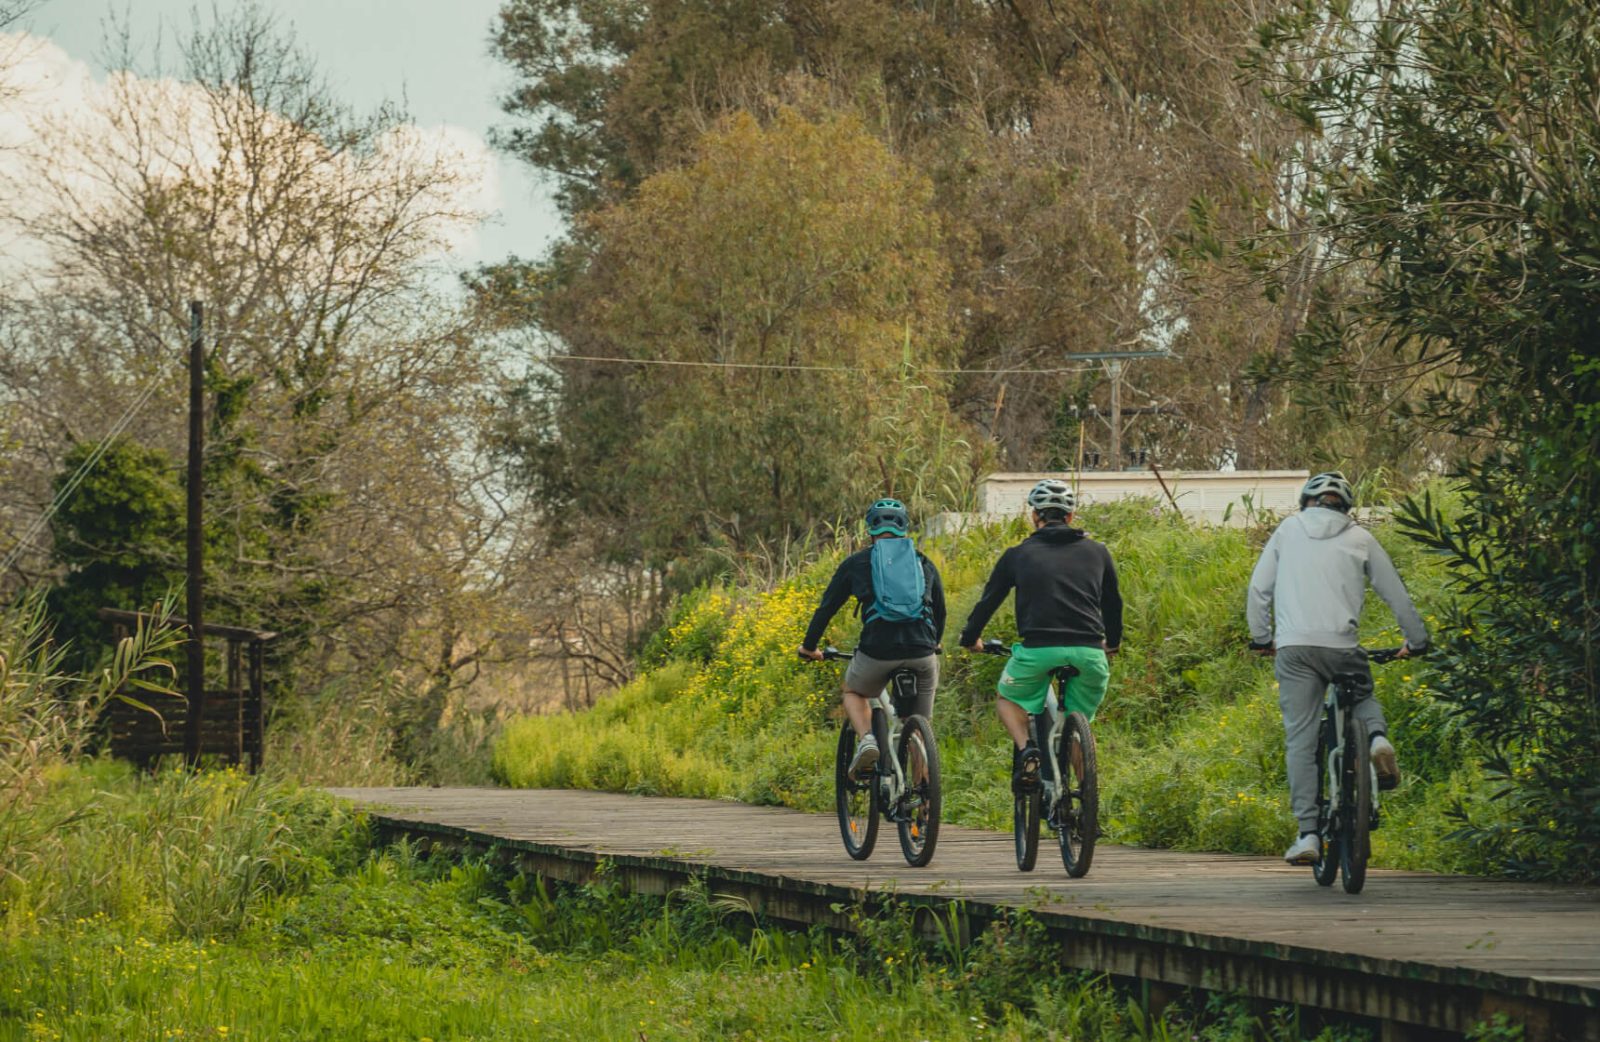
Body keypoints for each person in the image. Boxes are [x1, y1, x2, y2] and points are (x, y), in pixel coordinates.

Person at [1247, 471, 1430, 865]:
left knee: (1301, 740)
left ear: (1306, 502)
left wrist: (1262, 638)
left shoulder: (1288, 530)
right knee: (1362, 691)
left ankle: (1308, 834)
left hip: (1295, 649)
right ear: (1346, 507)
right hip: (1342, 646)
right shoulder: (1361, 537)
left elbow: (1259, 589)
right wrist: (1417, 641)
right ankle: (1377, 738)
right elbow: (1396, 594)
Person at [958, 479, 1122, 791]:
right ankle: (1087, 798)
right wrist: (1112, 643)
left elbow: (988, 602)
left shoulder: (1017, 555)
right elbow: (1113, 604)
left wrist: (970, 638)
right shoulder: (1098, 552)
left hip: (1038, 651)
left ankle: (1027, 749)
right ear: (1070, 516)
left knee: (1007, 700)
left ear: (1035, 515)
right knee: (1077, 723)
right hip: (1089, 653)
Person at [798, 498, 946, 779]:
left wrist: (809, 647)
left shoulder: (856, 563)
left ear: (869, 529)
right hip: (922, 652)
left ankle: (867, 739)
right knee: (917, 726)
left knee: (853, 692)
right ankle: (923, 795)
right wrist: (935, 641)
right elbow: (940, 610)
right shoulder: (922, 562)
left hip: (878, 651)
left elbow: (826, 608)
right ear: (904, 527)